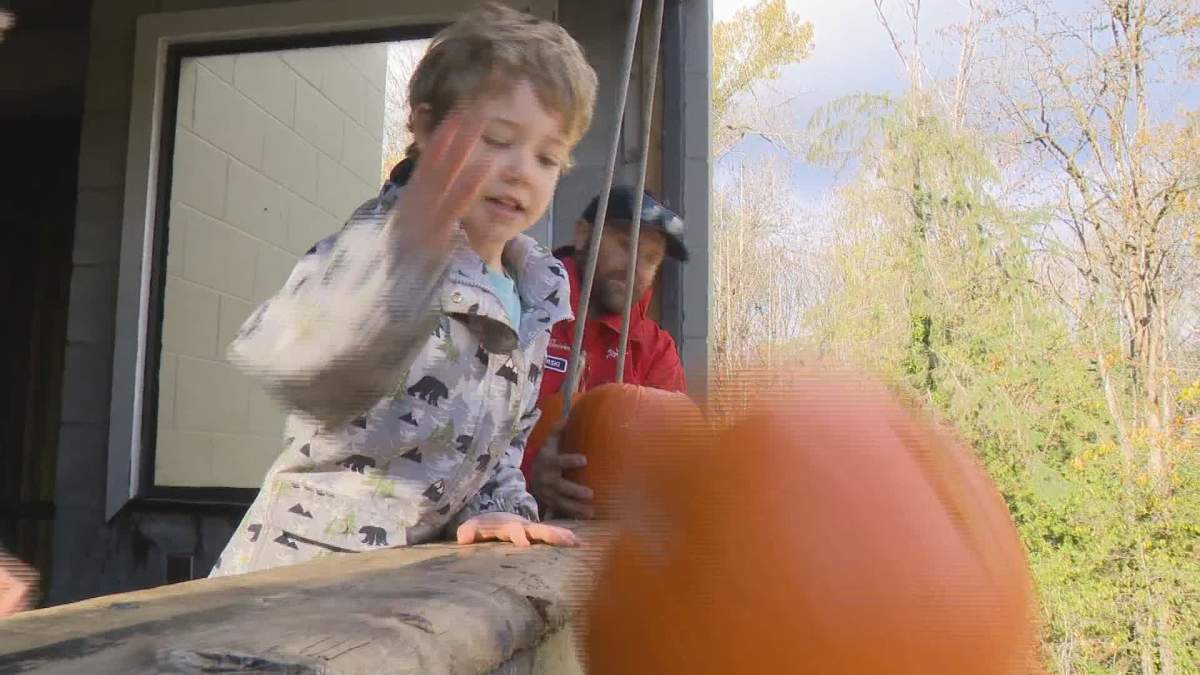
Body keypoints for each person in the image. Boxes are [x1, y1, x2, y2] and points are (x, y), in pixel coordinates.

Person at [210, 2, 598, 577]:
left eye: (547, 157)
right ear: (424, 128)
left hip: (411, 584)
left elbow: (501, 447)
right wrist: (405, 262)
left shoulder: (536, 292)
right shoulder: (384, 244)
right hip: (298, 571)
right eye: (495, 139)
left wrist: (498, 509)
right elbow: (291, 358)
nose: (522, 170)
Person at [523, 186, 689, 519]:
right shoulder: (524, 308)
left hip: (607, 544)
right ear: (584, 236)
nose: (635, 268)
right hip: (499, 535)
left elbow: (676, 461)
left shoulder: (655, 350)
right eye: (626, 246)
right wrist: (525, 478)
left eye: (651, 259)